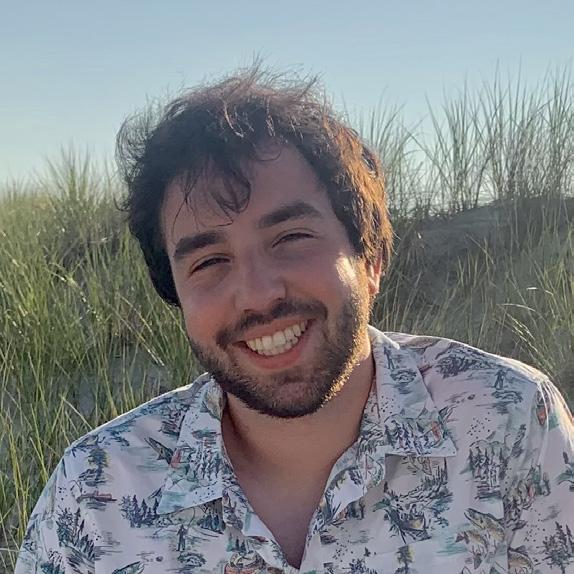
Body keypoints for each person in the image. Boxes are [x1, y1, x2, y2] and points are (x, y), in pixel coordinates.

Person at [15, 68, 574, 574]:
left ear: (371, 259)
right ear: (178, 298)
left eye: (291, 237)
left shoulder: (508, 419)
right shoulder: (96, 493)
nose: (258, 295)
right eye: (209, 262)